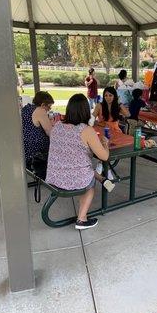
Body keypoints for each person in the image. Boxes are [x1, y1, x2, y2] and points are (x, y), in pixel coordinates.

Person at [46, 94, 114, 230]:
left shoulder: (57, 125)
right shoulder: (86, 130)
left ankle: (102, 178)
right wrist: (105, 143)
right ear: (85, 110)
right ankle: (82, 219)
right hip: (75, 177)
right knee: (89, 182)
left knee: (86, 169)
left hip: (53, 175)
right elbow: (104, 156)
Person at [21, 91, 54, 168]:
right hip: (38, 154)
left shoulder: (26, 108)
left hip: (27, 149)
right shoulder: (40, 110)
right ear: (42, 105)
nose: (49, 109)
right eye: (49, 106)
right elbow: (50, 132)